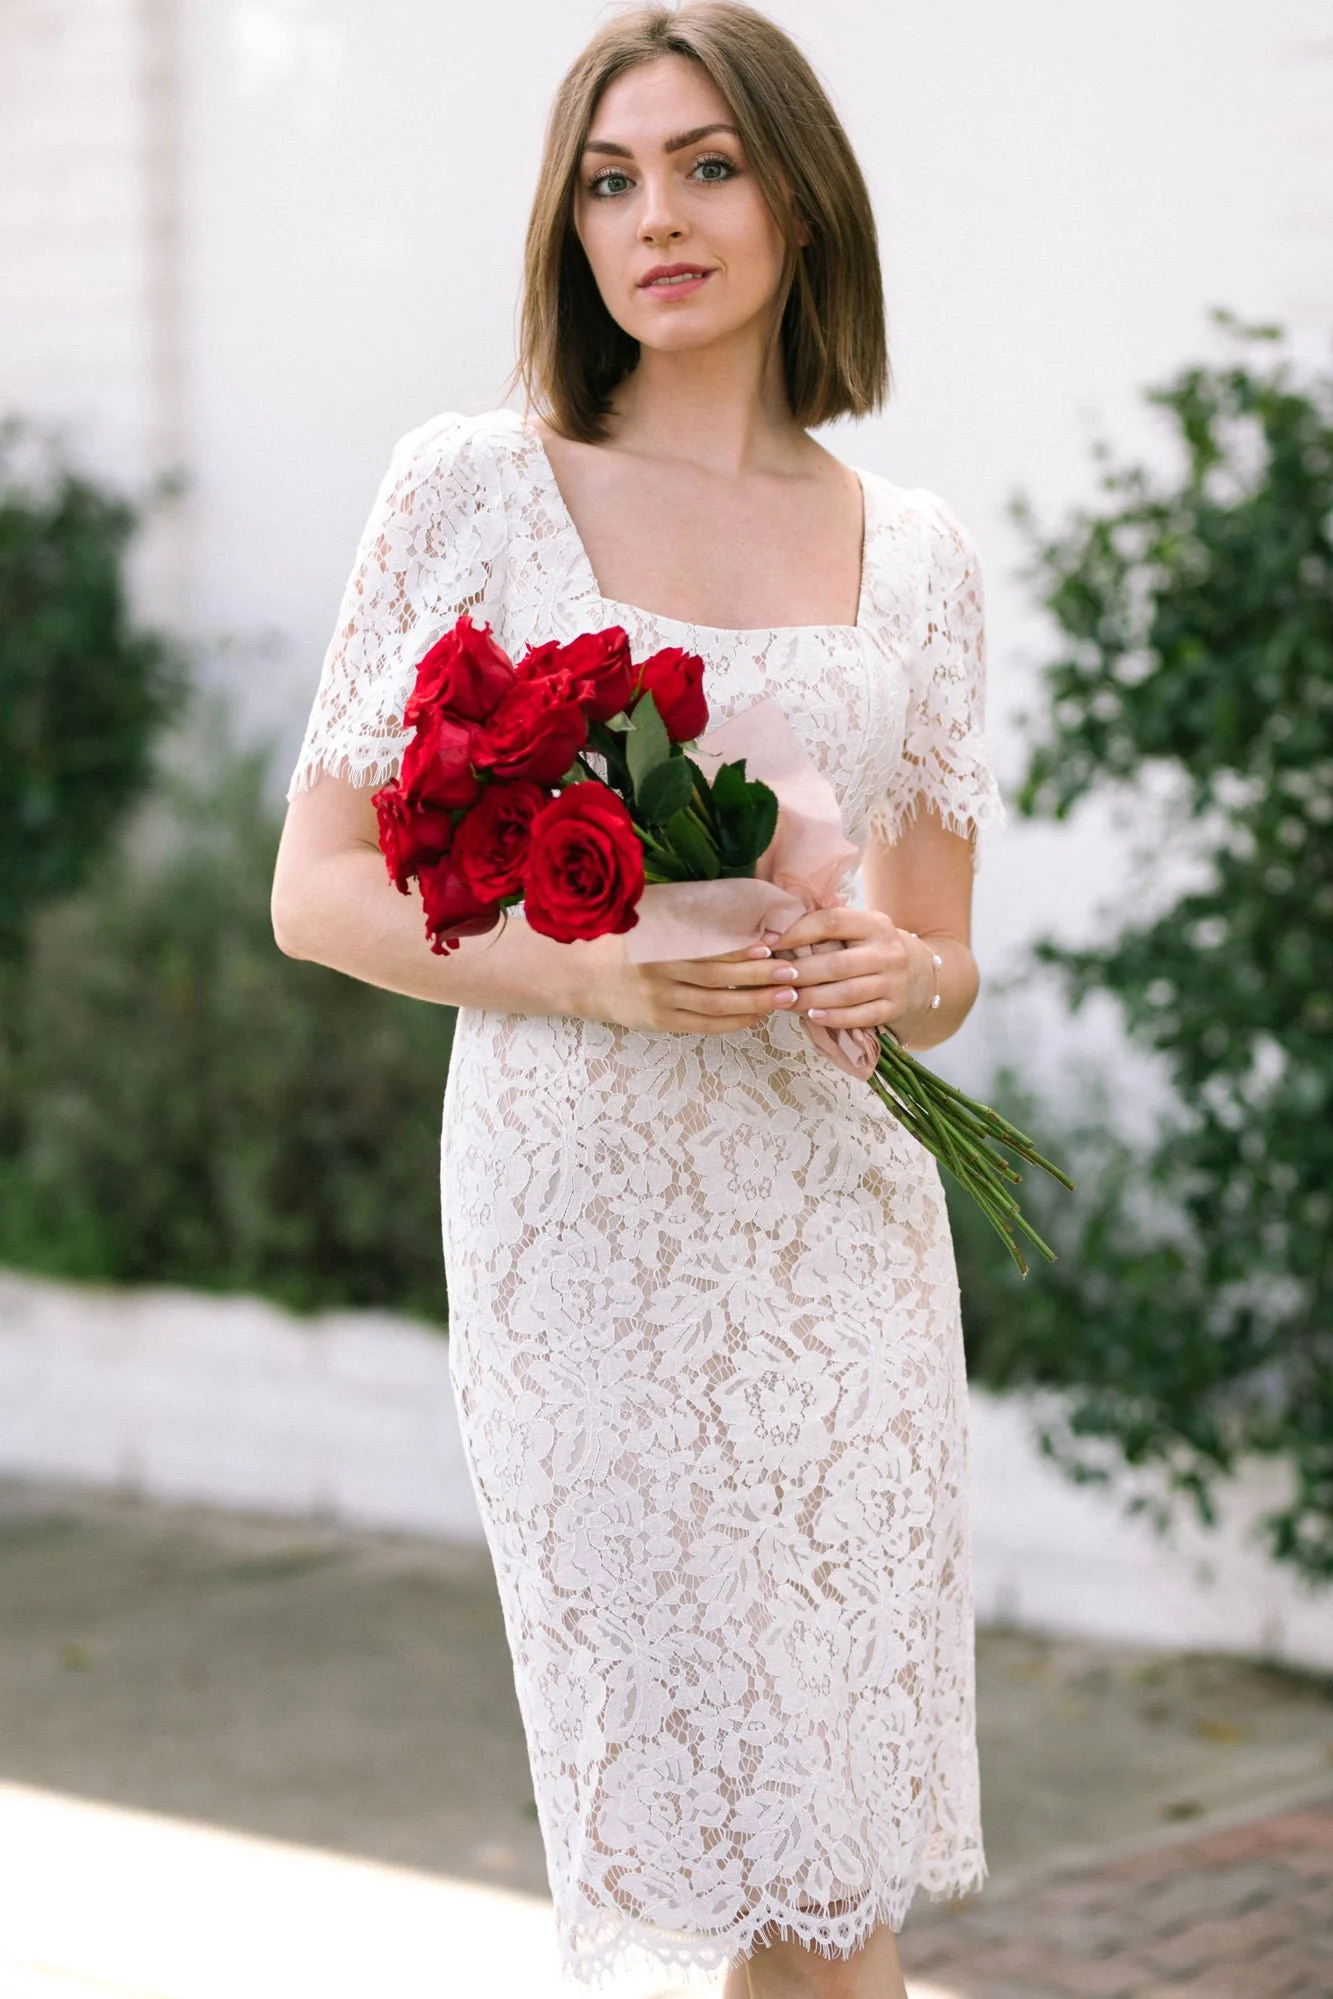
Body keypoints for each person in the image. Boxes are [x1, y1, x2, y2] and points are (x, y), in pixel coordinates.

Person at [272, 5, 1003, 1992]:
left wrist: (903, 966)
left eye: (704, 165)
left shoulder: (917, 554)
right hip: (584, 1233)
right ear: (568, 224)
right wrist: (596, 969)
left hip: (841, 1232)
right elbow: (320, 890)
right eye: (609, 178)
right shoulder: (470, 489)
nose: (653, 216)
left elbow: (941, 964)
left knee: (837, 1877)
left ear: (797, 195)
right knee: (692, 1865)